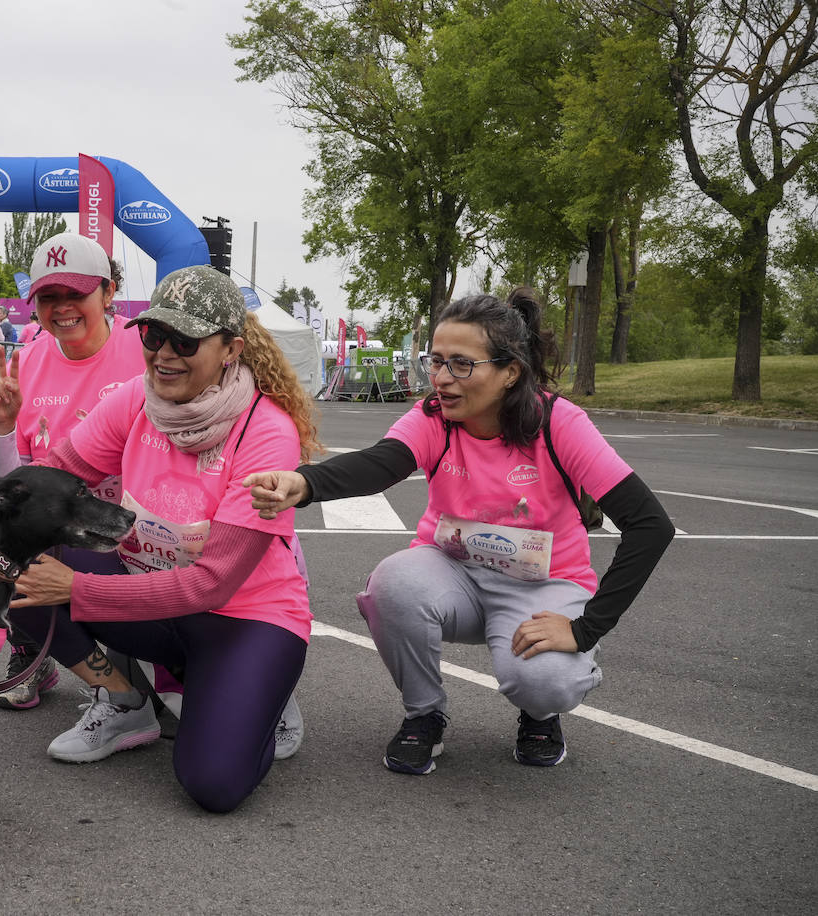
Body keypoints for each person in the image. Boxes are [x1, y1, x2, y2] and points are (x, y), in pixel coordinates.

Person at [246, 287, 675, 775]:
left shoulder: (559, 423)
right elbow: (382, 464)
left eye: (462, 365)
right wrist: (304, 482)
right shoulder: (435, 417)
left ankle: (540, 714)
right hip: (453, 575)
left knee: (547, 681)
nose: (443, 379)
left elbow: (650, 526)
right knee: (393, 583)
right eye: (437, 361)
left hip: (542, 587)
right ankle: (424, 715)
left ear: (510, 372)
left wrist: (585, 628)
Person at [0, 265, 321, 813]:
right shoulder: (134, 399)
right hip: (151, 599)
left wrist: (78, 590)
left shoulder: (267, 431)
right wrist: (1, 459)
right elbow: (49, 480)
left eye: (186, 340)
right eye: (154, 336)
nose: (164, 354)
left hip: (246, 617)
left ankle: (256, 694)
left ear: (231, 349)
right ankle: (127, 700)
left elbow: (213, 585)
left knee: (213, 785)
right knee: (13, 564)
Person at [0, 233, 147, 712]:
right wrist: (4, 426)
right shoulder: (26, 362)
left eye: (77, 294)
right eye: (49, 298)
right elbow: (2, 490)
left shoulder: (147, 348)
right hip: (73, 535)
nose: (63, 309)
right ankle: (85, 679)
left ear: (109, 293)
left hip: (149, 532)